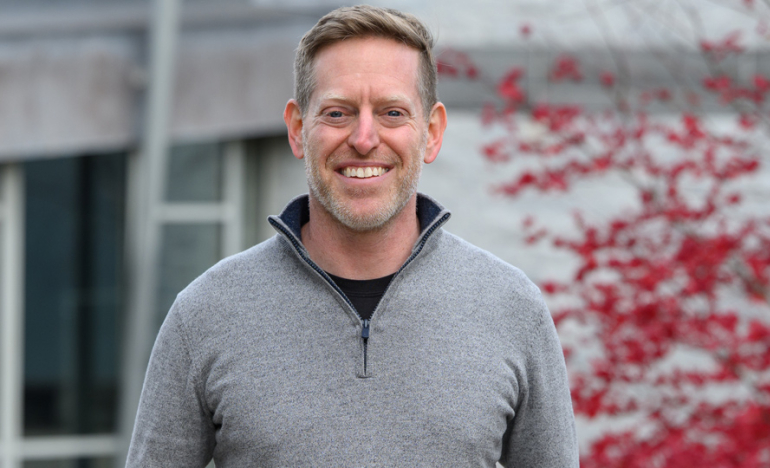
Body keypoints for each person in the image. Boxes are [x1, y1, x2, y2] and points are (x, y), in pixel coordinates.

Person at [126, 5, 579, 467]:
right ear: (299, 129)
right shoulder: (204, 315)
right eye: (338, 113)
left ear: (432, 132)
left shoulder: (512, 309)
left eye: (392, 112)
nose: (364, 138)